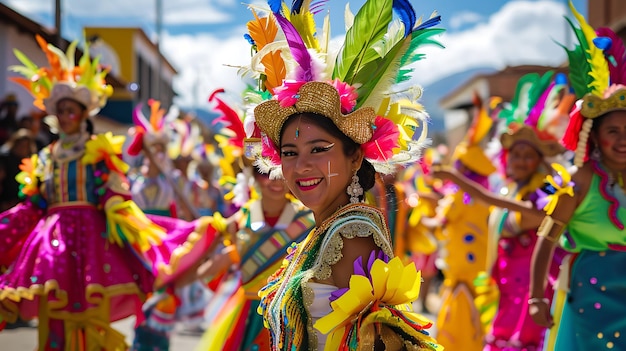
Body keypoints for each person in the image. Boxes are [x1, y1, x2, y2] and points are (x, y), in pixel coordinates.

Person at [241, 0, 445, 348]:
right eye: (290, 153)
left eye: (319, 150)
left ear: (354, 157)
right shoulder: (326, 229)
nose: (301, 165)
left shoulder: (351, 235)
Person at [0, 35, 217, 351]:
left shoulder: (98, 152)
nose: (65, 116)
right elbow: (35, 205)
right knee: (55, 315)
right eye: (60, 110)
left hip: (91, 243)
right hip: (52, 247)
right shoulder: (46, 157)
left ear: (83, 114)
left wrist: (140, 233)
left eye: (71, 109)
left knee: (91, 313)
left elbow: (112, 198)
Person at [435, 72, 573, 351]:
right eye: (516, 154)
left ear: (540, 160)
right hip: (507, 285)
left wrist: (458, 179)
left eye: (529, 155)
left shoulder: (546, 192)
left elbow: (532, 214)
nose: (521, 161)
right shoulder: (513, 189)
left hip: (532, 285)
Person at [529, 7, 626, 350]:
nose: (623, 138)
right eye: (613, 130)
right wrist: (537, 298)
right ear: (595, 136)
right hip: (591, 295)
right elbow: (546, 240)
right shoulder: (580, 180)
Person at [431, 94, 497, 351]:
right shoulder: (486, 195)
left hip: (459, 273)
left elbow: (440, 221)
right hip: (478, 269)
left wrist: (425, 214)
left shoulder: (461, 195)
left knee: (457, 330)